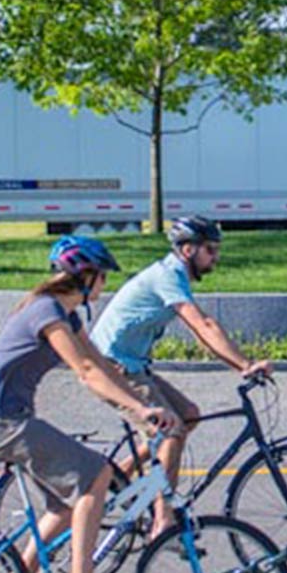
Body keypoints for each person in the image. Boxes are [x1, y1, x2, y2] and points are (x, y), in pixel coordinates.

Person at [0, 233, 179, 573]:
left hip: (8, 421)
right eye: (102, 276)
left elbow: (101, 365)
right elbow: (84, 370)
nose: (106, 284)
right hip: (1, 424)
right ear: (84, 276)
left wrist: (140, 410)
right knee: (95, 476)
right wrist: (143, 409)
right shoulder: (45, 312)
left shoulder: (66, 314)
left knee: (68, 504)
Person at [90, 216, 271, 540]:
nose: (216, 257)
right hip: (113, 367)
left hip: (133, 365)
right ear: (188, 250)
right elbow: (202, 325)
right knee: (171, 431)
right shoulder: (168, 276)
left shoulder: (173, 274)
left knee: (188, 415)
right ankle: (163, 521)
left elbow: (202, 329)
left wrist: (240, 363)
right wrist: (244, 364)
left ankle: (122, 474)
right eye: (210, 250)